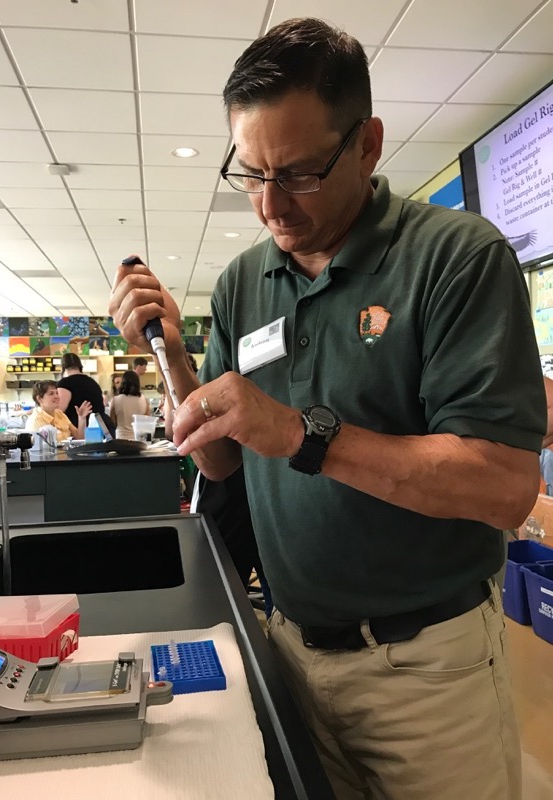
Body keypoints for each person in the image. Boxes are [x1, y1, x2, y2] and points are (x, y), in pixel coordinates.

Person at [109, 18, 546, 800]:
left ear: (368, 144)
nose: (272, 204)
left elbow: (503, 486)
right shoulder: (245, 281)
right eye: (251, 173)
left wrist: (298, 433)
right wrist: (171, 357)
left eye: (302, 173)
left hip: (427, 671)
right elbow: (219, 456)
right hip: (292, 648)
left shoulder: (456, 258)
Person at [57, 353, 116, 436]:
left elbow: (59, 410)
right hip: (103, 425)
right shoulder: (92, 382)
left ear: (62, 367)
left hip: (82, 429)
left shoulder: (65, 383)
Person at [25, 380, 91, 440]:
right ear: (39, 398)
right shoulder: (36, 420)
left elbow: (80, 438)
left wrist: (82, 418)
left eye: (57, 393)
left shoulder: (59, 413)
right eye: (51, 394)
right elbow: (48, 447)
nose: (57, 396)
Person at [109, 369, 150, 440]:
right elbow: (146, 422)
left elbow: (112, 423)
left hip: (121, 439)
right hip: (139, 440)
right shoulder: (144, 400)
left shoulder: (115, 400)